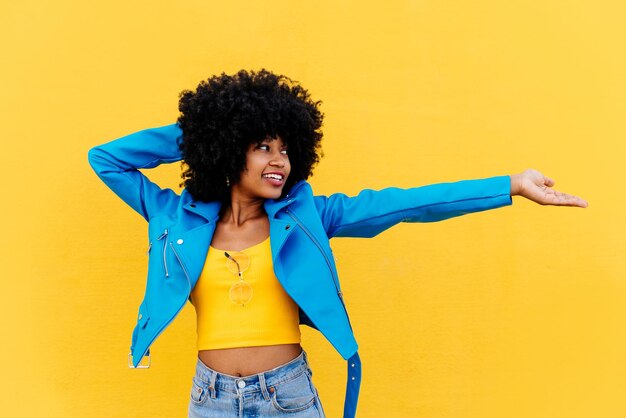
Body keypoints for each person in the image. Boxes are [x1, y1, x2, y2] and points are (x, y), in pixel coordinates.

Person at [87, 69, 587, 418]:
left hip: (287, 396)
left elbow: (408, 203)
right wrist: (202, 131)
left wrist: (511, 185)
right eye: (262, 146)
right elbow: (105, 158)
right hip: (210, 398)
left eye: (285, 148)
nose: (278, 160)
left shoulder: (310, 216)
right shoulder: (174, 218)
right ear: (227, 148)